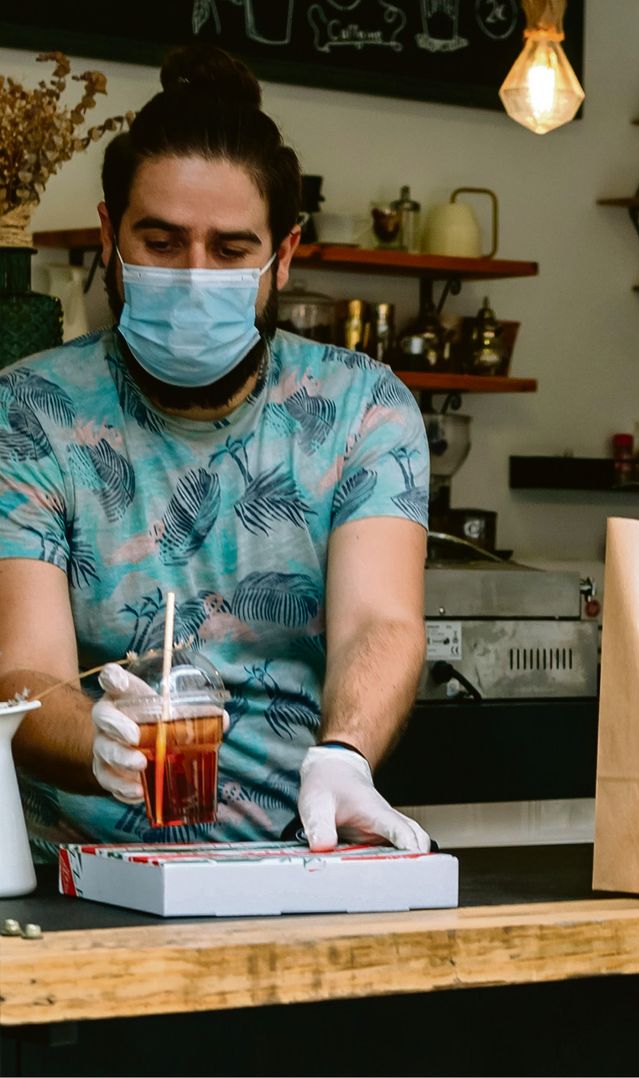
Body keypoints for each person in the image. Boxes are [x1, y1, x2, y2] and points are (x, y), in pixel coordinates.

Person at [0, 45, 430, 855]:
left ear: (284, 256)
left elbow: (380, 620)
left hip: (304, 854)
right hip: (82, 879)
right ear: (108, 235)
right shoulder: (30, 413)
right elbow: (26, 669)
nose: (194, 276)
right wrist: (97, 745)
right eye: (161, 243)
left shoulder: (364, 409)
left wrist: (345, 754)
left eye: (231, 252)